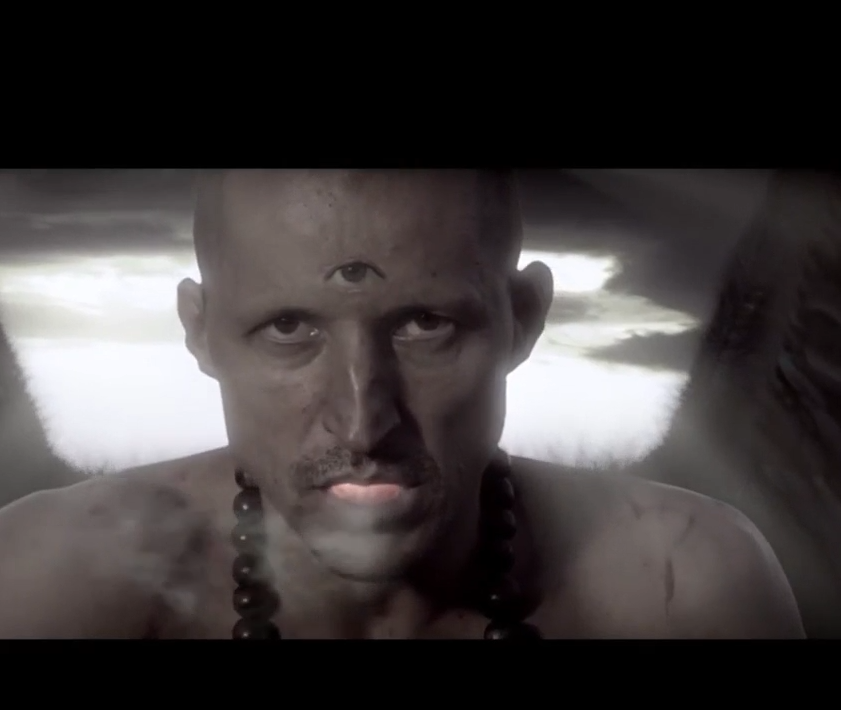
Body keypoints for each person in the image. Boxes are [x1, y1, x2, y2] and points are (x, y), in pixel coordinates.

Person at [0, 170, 805, 639]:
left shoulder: (684, 587)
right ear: (200, 333)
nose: (362, 422)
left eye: (425, 324)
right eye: (289, 328)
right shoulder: (44, 584)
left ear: (523, 319)